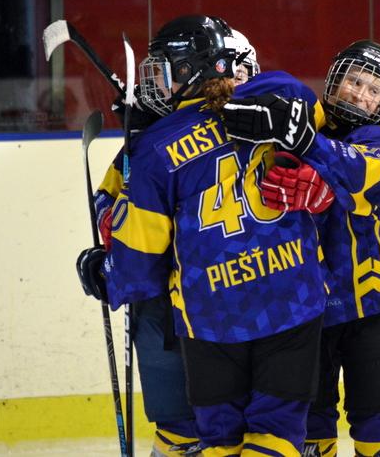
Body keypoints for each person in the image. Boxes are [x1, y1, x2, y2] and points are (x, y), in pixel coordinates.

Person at [78, 14, 329, 456]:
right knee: (276, 435)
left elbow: (138, 260)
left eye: (165, 71)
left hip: (211, 318)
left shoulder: (155, 149)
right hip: (291, 304)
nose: (154, 84)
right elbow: (301, 98)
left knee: (218, 441)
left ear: (198, 69)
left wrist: (104, 274)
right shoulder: (272, 107)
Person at [222, 40, 380, 457]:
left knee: (378, 427)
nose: (361, 94)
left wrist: (304, 144)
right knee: (311, 427)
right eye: (355, 81)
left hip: (370, 307)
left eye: (374, 90)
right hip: (305, 310)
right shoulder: (302, 116)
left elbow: (356, 170)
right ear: (335, 78)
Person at [84, 24, 263, 457]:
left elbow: (122, 236)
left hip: (182, 313)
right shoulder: (268, 131)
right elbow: (110, 208)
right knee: (215, 426)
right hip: (250, 311)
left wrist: (108, 274)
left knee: (203, 426)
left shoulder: (159, 146)